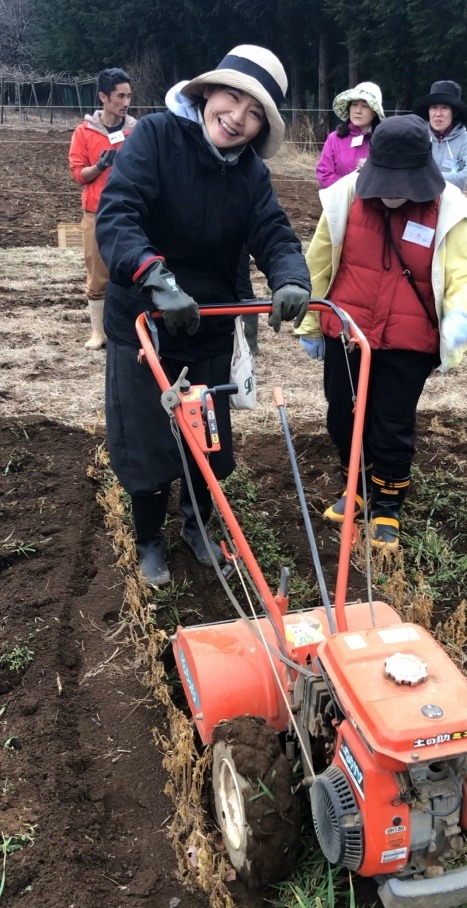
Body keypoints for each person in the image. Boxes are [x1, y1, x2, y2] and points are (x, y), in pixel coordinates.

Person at [96, 45, 311, 587]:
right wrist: (154, 277)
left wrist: (291, 278)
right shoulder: (156, 139)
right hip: (146, 322)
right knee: (146, 439)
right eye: (232, 98)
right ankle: (149, 539)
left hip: (212, 321)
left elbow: (274, 232)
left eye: (255, 112)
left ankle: (198, 527)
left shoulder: (251, 175)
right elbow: (119, 212)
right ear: (207, 93)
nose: (238, 117)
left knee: (207, 437)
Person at [298, 114, 467, 551]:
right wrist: (311, 321)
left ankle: (388, 502)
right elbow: (319, 262)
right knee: (342, 417)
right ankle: (358, 485)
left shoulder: (451, 209)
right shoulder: (344, 198)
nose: (391, 196)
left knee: (392, 423)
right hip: (346, 332)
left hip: (408, 341)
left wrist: (461, 313)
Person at [69, 68, 135, 349]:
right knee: (97, 273)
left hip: (132, 213)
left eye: (129, 96)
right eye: (120, 96)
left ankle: (132, 330)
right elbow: (77, 174)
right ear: (103, 97)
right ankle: (99, 333)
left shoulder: (137, 130)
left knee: (134, 270)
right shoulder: (84, 133)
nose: (126, 102)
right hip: (97, 213)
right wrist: (100, 166)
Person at [316, 82, 385, 189]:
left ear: (375, 112)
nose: (358, 111)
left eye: (365, 106)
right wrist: (349, 189)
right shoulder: (334, 138)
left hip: (373, 203)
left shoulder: (384, 141)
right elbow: (324, 174)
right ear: (349, 108)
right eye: (354, 104)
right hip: (341, 202)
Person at [412, 80, 467, 192]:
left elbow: (462, 179)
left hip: (453, 202)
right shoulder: (417, 136)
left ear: (454, 112)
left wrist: (424, 174)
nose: (438, 113)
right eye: (434, 107)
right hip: (421, 201)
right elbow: (409, 173)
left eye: (445, 108)